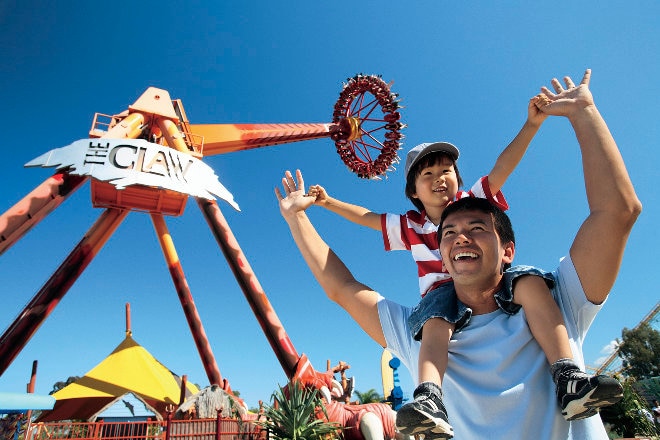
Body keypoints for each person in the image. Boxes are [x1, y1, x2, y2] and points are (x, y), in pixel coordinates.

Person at [275, 69, 641, 439]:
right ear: (415, 194)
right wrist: (309, 211)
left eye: (477, 228)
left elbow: (616, 211)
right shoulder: (415, 287)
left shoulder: (552, 301)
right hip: (437, 306)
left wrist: (576, 113)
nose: (460, 237)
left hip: (516, 291)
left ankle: (568, 377)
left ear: (506, 248)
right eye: (448, 233)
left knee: (530, 281)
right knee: (435, 316)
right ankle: (429, 398)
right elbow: (345, 280)